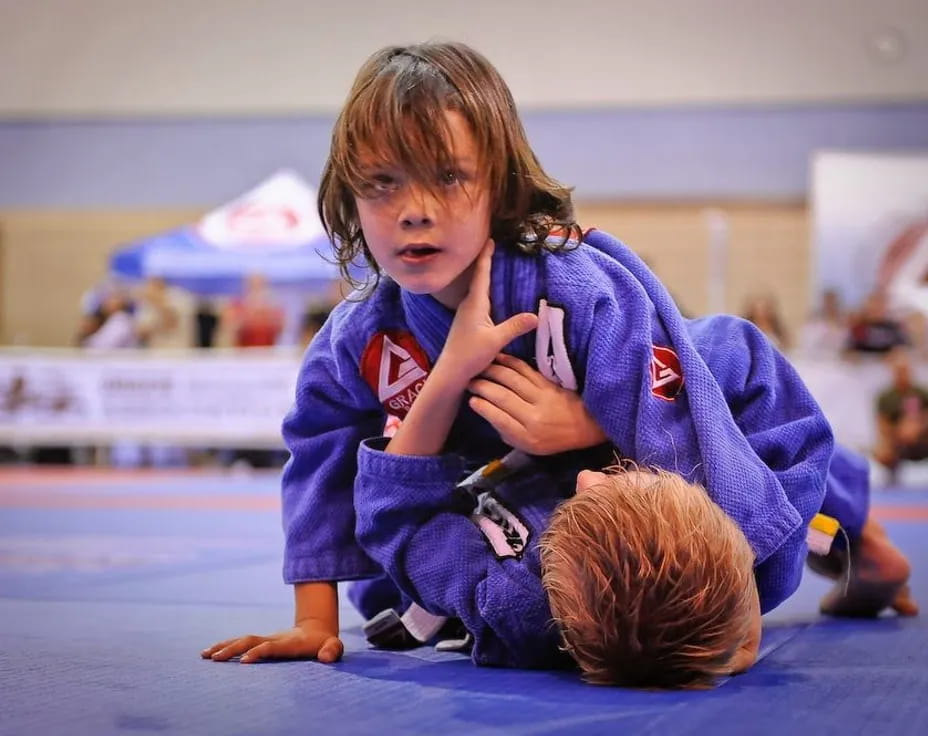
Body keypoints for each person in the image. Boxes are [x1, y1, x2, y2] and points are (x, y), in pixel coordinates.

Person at [200, 41, 915, 684]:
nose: (413, 211)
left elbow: (671, 435)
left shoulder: (572, 284)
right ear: (349, 196)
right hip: (523, 475)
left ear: (502, 187)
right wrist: (315, 619)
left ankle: (852, 529)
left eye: (448, 178)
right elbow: (323, 463)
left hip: (681, 419)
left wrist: (735, 591)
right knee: (405, 592)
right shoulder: (360, 338)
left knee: (742, 421)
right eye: (382, 183)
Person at [873, 347, 928, 484]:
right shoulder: (885, 397)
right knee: (881, 450)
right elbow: (882, 425)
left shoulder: (921, 393)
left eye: (905, 370)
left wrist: (918, 428)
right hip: (897, 440)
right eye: (898, 371)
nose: (902, 374)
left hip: (921, 438)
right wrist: (900, 432)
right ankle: (892, 476)